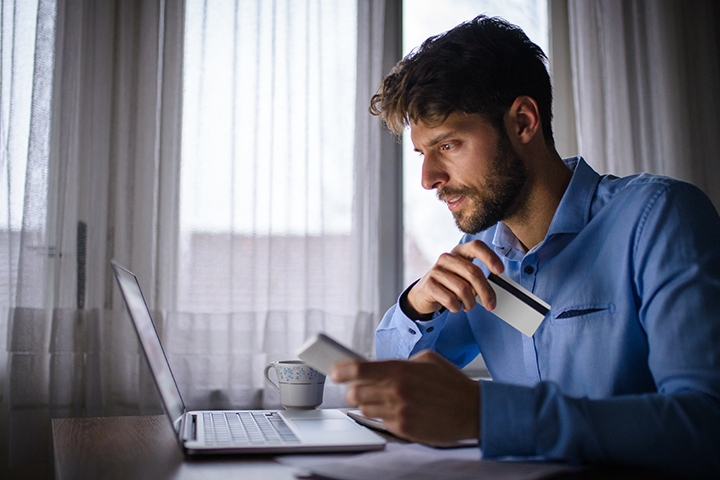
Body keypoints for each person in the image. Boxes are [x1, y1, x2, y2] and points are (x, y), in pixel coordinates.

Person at [331, 15, 720, 479]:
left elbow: (706, 426)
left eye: (449, 145)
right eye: (423, 153)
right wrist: (417, 306)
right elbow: (392, 392)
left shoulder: (660, 216)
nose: (428, 179)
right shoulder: (478, 257)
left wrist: (487, 414)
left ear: (522, 122)